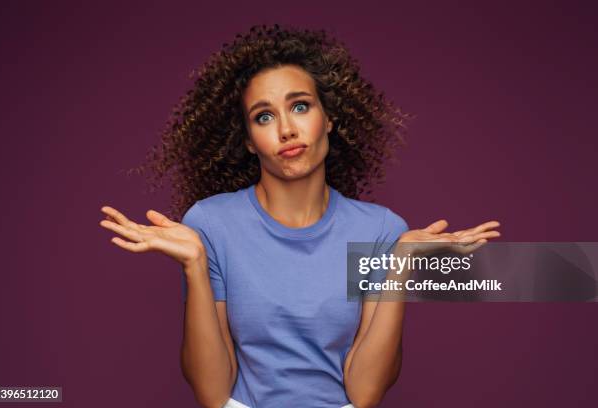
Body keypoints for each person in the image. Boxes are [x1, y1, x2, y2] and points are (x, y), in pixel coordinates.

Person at [99, 24, 500, 408]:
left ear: (328, 118)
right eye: (264, 116)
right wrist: (195, 265)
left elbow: (365, 394)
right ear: (249, 141)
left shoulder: (380, 230)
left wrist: (399, 265)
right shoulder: (210, 224)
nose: (287, 129)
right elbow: (210, 394)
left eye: (301, 106)